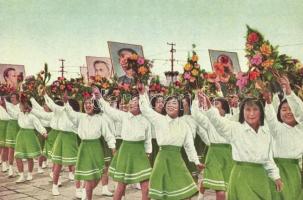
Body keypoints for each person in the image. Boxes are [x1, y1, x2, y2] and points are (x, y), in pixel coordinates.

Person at [197, 91, 283, 200]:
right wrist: (209, 108)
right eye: (247, 109)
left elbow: (268, 158)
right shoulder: (235, 128)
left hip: (260, 178)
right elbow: (218, 123)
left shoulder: (265, 132)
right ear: (242, 112)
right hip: (241, 176)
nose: (251, 113)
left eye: (255, 109)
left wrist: (276, 176)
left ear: (261, 112)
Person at [138, 85, 204, 200]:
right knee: (158, 193)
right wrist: (142, 94)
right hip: (162, 160)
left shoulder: (184, 125)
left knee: (185, 193)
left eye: (174, 103)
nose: (170, 105)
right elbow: (145, 110)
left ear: (180, 107)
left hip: (178, 161)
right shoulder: (159, 119)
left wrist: (196, 161)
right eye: (168, 103)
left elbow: (189, 146)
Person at [95, 87, 152, 200]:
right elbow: (109, 110)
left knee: (145, 185)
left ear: (141, 105)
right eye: (131, 101)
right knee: (121, 185)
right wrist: (99, 98)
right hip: (126, 151)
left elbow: (148, 139)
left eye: (135, 102)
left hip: (140, 153)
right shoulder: (124, 116)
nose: (131, 103)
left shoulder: (146, 120)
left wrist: (148, 152)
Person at [65, 96, 116, 200]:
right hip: (84, 147)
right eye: (86, 103)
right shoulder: (81, 117)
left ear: (95, 106)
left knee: (99, 174)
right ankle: (87, 196)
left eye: (90, 103)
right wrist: (66, 102)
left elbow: (108, 135)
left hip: (96, 147)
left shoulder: (100, 119)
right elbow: (70, 113)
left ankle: (85, 192)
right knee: (88, 177)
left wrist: (113, 148)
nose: (87, 105)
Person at [263, 76, 303, 200]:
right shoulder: (277, 128)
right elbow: (270, 119)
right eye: (284, 109)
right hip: (277, 171)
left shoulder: (301, 128)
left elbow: (300, 110)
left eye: (290, 109)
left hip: (294, 171)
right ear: (279, 113)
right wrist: (269, 103)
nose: (288, 112)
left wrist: (289, 91)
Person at [6, 98, 47, 183]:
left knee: (29, 157)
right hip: (21, 135)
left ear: (26, 106)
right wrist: (4, 105)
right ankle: (21, 175)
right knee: (17, 156)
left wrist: (44, 133)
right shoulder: (19, 114)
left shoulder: (32, 116)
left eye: (21, 105)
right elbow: (11, 113)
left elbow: (38, 125)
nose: (20, 106)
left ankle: (29, 173)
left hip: (30, 136)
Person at [4, 92, 21, 177]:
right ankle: (10, 168)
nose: (12, 99)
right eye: (11, 97)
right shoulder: (9, 105)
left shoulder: (20, 105)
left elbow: (18, 115)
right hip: (11, 126)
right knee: (11, 148)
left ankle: (18, 169)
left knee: (18, 149)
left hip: (18, 126)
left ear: (17, 98)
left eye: (14, 97)